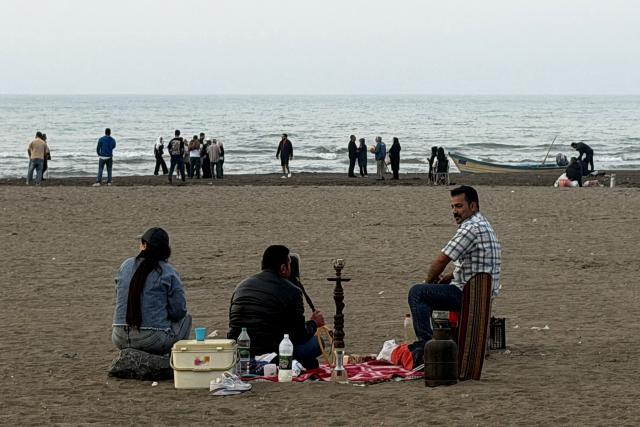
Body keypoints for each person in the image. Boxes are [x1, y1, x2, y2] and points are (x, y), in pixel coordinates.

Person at [407, 186, 501, 345]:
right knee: (435, 288)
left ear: (472, 206)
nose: (454, 211)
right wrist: (449, 277)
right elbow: (475, 266)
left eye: (459, 206)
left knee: (418, 293)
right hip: (482, 292)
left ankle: (425, 347)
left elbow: (442, 260)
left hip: (469, 295)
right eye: (452, 207)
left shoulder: (470, 228)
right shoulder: (483, 223)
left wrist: (428, 281)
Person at [228, 245, 326, 369]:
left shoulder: (240, 287)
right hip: (273, 353)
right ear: (283, 268)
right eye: (289, 265)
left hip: (240, 352)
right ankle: (297, 363)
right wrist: (313, 323)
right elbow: (299, 335)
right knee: (317, 343)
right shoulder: (292, 291)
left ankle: (302, 363)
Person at [112, 227, 192, 355]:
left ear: (144, 246)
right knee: (187, 318)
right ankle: (173, 361)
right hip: (152, 339)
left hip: (119, 336)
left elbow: (119, 297)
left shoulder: (125, 265)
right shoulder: (168, 271)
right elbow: (178, 311)